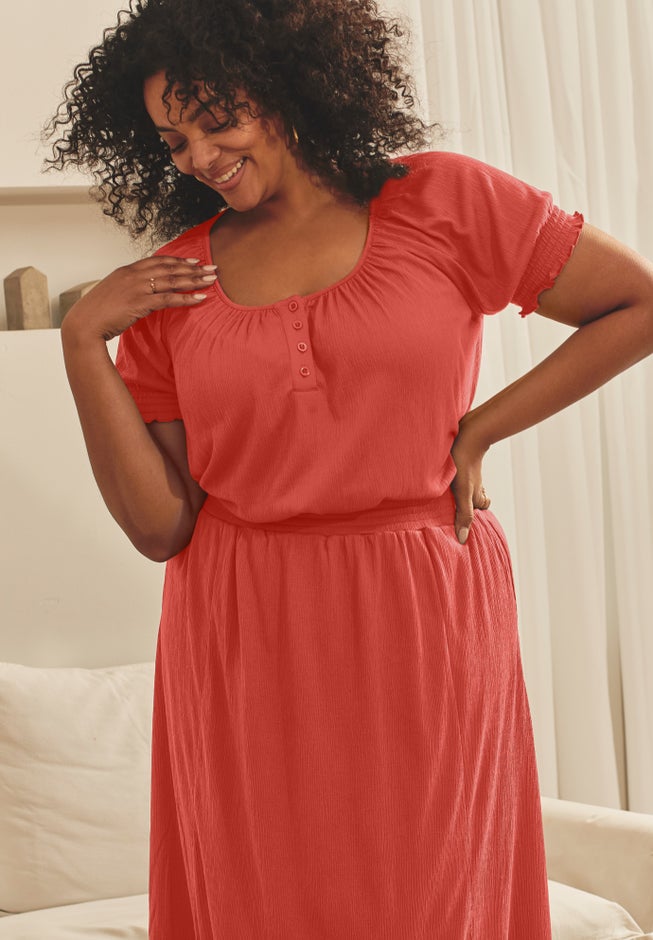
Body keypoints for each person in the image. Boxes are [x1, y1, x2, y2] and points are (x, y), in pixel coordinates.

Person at [43, 0, 653, 936]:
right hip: (243, 621)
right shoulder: (172, 284)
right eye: (173, 142)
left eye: (216, 120)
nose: (199, 157)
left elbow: (634, 304)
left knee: (430, 881)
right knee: (264, 886)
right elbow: (161, 527)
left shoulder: (443, 200)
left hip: (420, 602)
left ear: (286, 85)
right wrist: (82, 339)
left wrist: (481, 429)